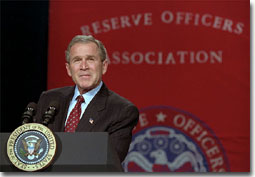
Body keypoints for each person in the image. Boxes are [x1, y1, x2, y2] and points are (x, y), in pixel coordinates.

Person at [33, 35, 139, 163]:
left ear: (104, 66)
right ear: (68, 69)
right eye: (77, 60)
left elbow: (109, 161)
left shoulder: (122, 110)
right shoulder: (49, 99)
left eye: (90, 59)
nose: (84, 66)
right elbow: (34, 148)